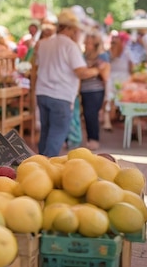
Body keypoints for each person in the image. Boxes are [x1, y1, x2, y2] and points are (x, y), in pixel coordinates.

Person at [34, 9, 105, 157]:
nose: (77, 33)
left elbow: (37, 67)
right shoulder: (70, 46)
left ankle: (39, 164)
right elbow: (81, 72)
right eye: (75, 30)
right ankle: (46, 166)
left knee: (46, 133)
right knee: (57, 133)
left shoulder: (43, 44)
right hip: (61, 95)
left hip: (42, 92)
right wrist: (97, 70)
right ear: (68, 29)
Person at [80, 30, 111, 150]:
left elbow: (105, 74)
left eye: (89, 42)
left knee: (91, 114)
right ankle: (90, 139)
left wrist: (92, 71)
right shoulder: (84, 55)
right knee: (87, 115)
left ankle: (94, 139)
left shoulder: (102, 56)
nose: (86, 44)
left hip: (96, 90)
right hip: (84, 89)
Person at [103, 31, 134, 131]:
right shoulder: (108, 53)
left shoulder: (126, 52)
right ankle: (107, 120)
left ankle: (122, 118)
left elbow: (131, 67)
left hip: (123, 79)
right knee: (109, 98)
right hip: (113, 78)